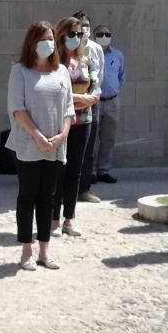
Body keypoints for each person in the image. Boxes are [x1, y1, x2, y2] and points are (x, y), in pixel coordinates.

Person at [7, 21, 74, 271]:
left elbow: (68, 108)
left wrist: (61, 135)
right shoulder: (20, 71)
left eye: (50, 38)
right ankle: (26, 250)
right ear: (31, 42)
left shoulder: (62, 72)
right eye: (41, 38)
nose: (46, 43)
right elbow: (17, 108)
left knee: (48, 197)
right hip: (28, 144)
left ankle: (44, 251)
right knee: (28, 196)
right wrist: (37, 137)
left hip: (56, 145)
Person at [51, 16, 99, 238]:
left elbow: (96, 87)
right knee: (58, 170)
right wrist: (83, 99)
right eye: (72, 34)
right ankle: (52, 219)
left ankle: (68, 220)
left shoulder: (86, 61)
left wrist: (89, 98)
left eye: (79, 34)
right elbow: (60, 94)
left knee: (75, 171)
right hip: (62, 122)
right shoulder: (55, 62)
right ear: (62, 35)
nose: (76, 38)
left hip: (84, 122)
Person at [75, 10, 104, 203]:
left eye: (86, 25)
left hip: (90, 103)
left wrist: (91, 97)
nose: (84, 29)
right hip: (71, 102)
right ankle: (66, 187)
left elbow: (99, 76)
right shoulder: (65, 47)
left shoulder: (95, 49)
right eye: (80, 25)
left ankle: (84, 189)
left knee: (88, 148)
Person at [93, 24, 125, 183]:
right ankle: (90, 171)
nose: (104, 36)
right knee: (92, 139)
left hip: (112, 101)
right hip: (94, 102)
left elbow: (121, 76)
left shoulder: (118, 55)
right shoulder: (90, 53)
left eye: (107, 33)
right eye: (100, 34)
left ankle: (103, 171)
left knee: (108, 138)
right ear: (94, 36)